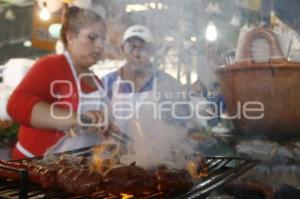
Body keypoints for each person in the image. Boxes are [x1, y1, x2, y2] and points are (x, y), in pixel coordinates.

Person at [7, 5, 111, 159]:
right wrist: (77, 119)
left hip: (78, 166)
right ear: (70, 36)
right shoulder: (51, 65)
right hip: (39, 165)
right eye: (92, 37)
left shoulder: (96, 81)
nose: (100, 45)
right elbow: (16, 105)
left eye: (102, 39)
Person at [102, 24, 188, 133]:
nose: (137, 54)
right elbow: (98, 121)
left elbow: (181, 123)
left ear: (152, 50)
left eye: (143, 48)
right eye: (131, 47)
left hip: (155, 148)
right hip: (117, 149)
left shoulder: (167, 83)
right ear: (122, 49)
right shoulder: (108, 82)